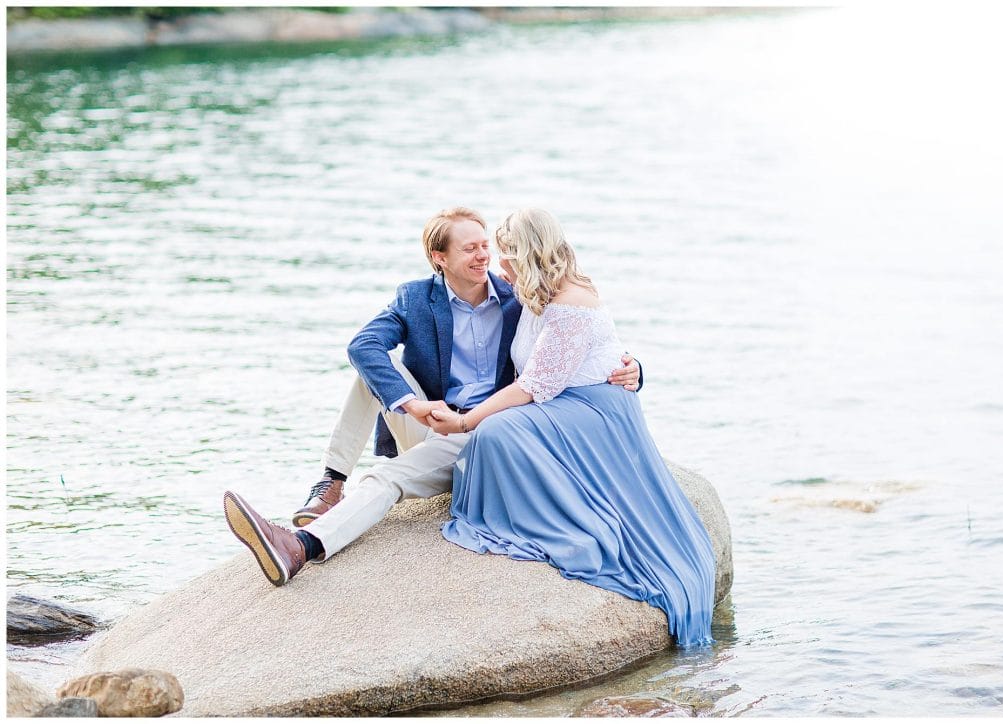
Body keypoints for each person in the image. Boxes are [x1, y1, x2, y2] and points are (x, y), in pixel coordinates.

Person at [222, 207, 641, 587]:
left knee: (387, 479)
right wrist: (413, 405)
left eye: (485, 247)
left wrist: (633, 371)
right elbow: (363, 346)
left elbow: (582, 341)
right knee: (372, 371)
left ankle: (300, 547)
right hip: (429, 422)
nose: (484, 257)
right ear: (440, 259)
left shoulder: (520, 296)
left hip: (484, 434)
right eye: (470, 249)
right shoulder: (416, 298)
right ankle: (332, 482)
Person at [426, 208, 715, 646]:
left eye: (508, 255)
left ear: (530, 255)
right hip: (565, 402)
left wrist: (465, 419)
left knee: (495, 432)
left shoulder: (571, 301)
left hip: (593, 412)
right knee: (498, 432)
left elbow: (536, 384)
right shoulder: (532, 289)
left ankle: (553, 523)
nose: (500, 265)